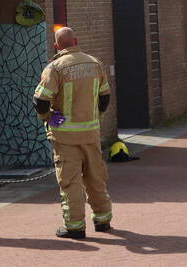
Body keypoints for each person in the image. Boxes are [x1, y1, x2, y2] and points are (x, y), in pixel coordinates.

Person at [33, 26, 113, 239]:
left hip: (65, 136)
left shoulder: (55, 68)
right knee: (96, 177)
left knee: (70, 182)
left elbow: (40, 100)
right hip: (91, 133)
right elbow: (105, 97)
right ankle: (103, 220)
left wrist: (47, 116)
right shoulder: (95, 63)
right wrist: (97, 117)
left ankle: (75, 226)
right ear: (76, 41)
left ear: (56, 46)